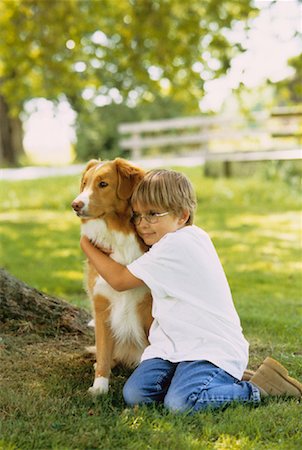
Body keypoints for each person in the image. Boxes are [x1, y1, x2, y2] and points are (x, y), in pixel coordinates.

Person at [80, 168, 302, 413]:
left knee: (181, 403)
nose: (143, 225)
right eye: (137, 216)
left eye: (153, 215)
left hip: (207, 348)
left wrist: (87, 245)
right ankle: (215, 379)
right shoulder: (178, 240)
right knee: (135, 393)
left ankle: (259, 388)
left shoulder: (176, 246)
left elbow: (119, 280)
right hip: (172, 349)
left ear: (183, 215)